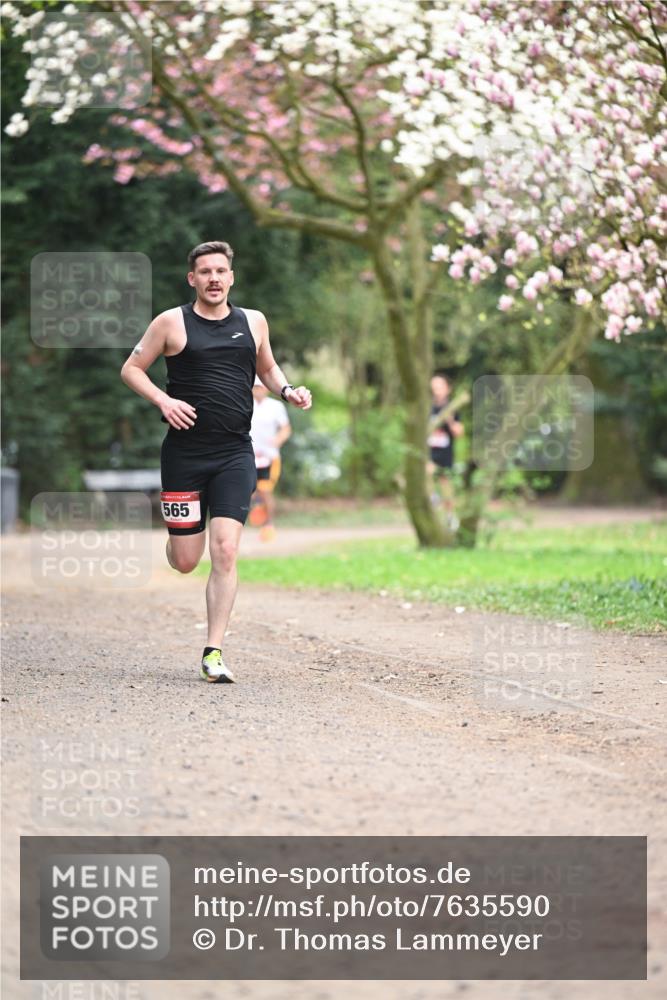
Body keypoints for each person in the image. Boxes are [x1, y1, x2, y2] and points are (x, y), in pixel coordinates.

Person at [120, 241, 312, 683]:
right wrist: (162, 400)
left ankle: (213, 650)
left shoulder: (253, 321)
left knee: (225, 550)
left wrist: (288, 391)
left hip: (233, 453)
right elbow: (131, 369)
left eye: (220, 271)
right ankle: (177, 537)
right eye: (204, 271)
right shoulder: (171, 322)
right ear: (192, 279)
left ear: (231, 277)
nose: (213, 278)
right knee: (187, 559)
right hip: (185, 455)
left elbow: (268, 368)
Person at [250, 376, 292, 541]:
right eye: (255, 387)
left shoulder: (276, 407)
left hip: (269, 458)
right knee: (250, 492)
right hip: (249, 456)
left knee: (266, 490)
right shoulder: (245, 404)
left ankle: (269, 525)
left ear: (267, 388)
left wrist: (277, 440)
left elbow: (286, 429)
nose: (258, 390)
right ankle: (256, 512)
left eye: (260, 387)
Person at [426, 373, 464, 516]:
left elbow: (459, 432)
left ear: (448, 389)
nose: (436, 390)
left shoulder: (452, 408)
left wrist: (450, 421)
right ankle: (433, 498)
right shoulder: (427, 408)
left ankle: (450, 515)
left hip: (446, 453)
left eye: (440, 387)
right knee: (426, 471)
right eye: (434, 387)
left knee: (445, 483)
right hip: (429, 451)